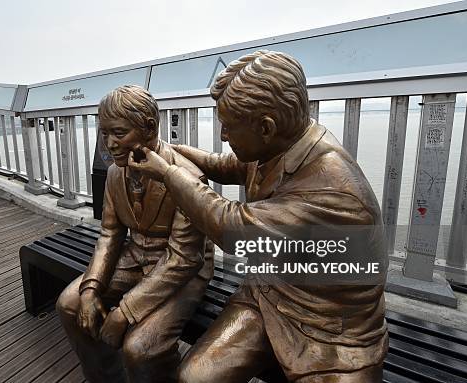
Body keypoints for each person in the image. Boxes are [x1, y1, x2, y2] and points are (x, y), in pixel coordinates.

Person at [128, 51, 388, 382]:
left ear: (266, 127)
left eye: (228, 127)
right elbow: (223, 164)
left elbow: (230, 226)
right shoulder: (283, 144)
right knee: (194, 378)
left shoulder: (331, 189)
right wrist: (167, 152)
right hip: (268, 292)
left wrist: (167, 174)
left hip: (331, 329)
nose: (223, 135)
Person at [56, 85, 214, 383]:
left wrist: (124, 311)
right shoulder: (116, 172)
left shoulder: (188, 177)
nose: (110, 144)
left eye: (119, 133)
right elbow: (110, 234)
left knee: (140, 348)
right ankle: (105, 377)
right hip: (133, 257)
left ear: (150, 128)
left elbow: (184, 258)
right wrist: (90, 290)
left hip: (183, 269)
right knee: (69, 304)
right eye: (105, 134)